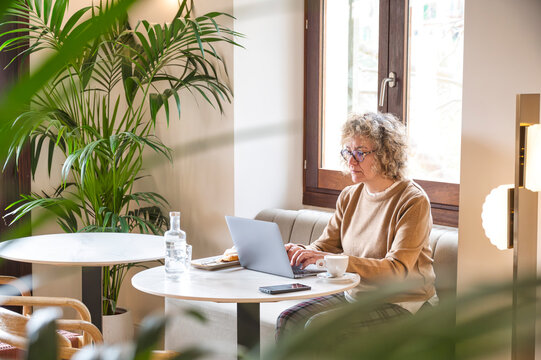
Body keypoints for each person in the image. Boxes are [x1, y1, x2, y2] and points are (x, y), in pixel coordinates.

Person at [276, 112, 436, 339]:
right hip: (355, 295)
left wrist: (329, 260)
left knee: (318, 329)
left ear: (386, 155)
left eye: (360, 153)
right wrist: (302, 252)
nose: (351, 161)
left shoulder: (413, 201)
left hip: (403, 302)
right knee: (288, 320)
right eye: (348, 152)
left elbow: (397, 270)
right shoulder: (349, 195)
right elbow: (326, 246)